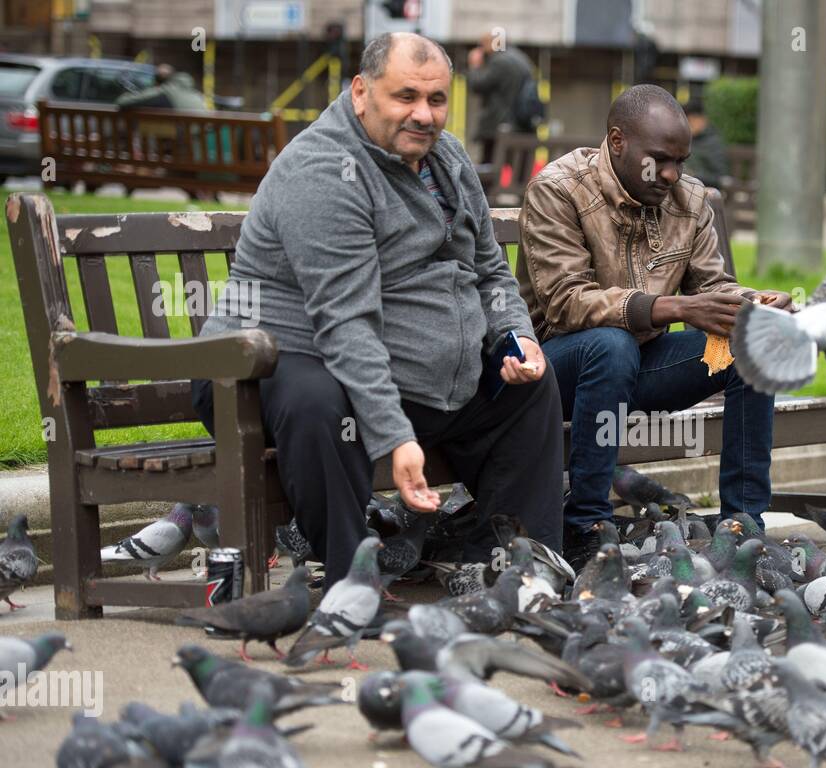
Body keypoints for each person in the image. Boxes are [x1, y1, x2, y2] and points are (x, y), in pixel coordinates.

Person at [190, 32, 563, 589]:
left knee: (529, 387)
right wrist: (393, 437)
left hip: (404, 373)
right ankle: (350, 581)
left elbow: (489, 271)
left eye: (436, 99)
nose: (424, 114)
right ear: (361, 92)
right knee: (320, 400)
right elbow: (346, 323)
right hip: (268, 364)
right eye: (405, 96)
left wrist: (515, 337)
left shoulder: (449, 158)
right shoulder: (322, 171)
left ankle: (503, 572)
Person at [516, 84, 792, 570]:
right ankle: (587, 527)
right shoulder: (559, 189)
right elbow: (565, 303)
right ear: (617, 141)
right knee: (610, 344)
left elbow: (713, 284)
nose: (671, 174)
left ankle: (744, 529)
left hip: (637, 364)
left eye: (680, 162)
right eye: (660, 160)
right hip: (555, 367)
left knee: (749, 346)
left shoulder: (687, 199)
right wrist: (677, 309)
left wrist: (756, 304)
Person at [465, 32, 535, 163]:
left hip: (498, 126)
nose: (481, 50)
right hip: (522, 125)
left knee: (488, 169)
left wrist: (474, 65)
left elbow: (477, 85)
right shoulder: (521, 58)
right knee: (519, 171)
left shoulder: (499, 61)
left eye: (483, 45)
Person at [115, 64, 207, 111]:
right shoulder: (196, 94)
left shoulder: (165, 89)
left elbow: (122, 101)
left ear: (156, 81)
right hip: (195, 141)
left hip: (179, 139)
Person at [682, 99, 728, 188]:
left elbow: (720, 178)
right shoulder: (689, 139)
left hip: (706, 189)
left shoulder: (713, 143)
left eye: (691, 121)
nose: (688, 125)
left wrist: (694, 175)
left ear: (702, 119)